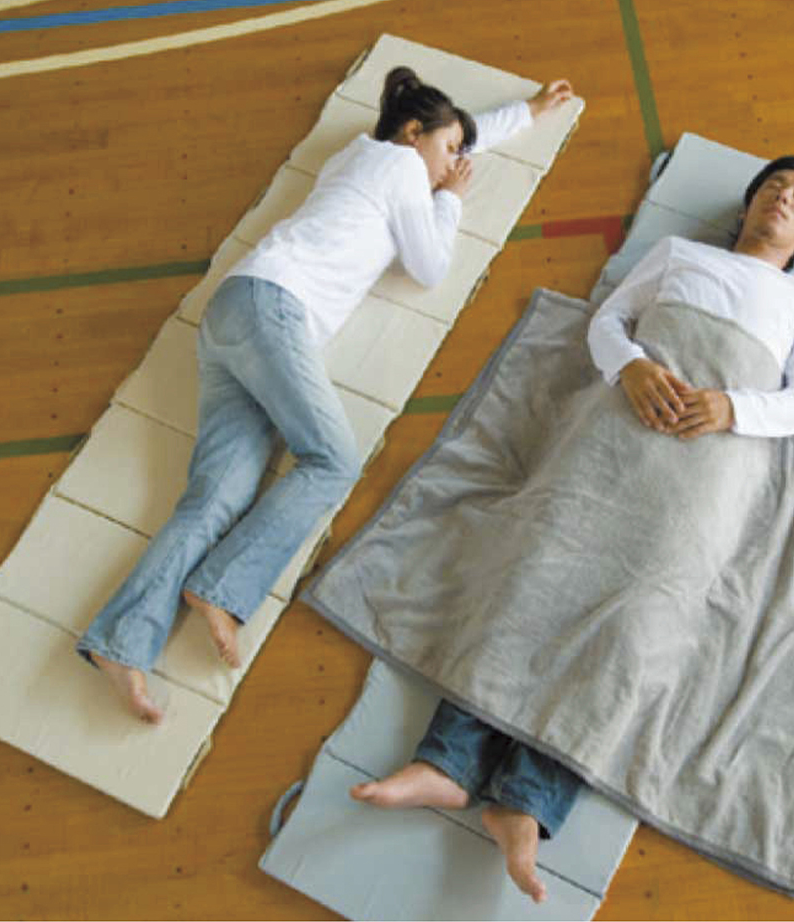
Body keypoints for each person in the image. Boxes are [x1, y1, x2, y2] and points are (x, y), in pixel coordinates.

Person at [351, 155, 794, 904]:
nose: (783, 197)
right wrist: (632, 369)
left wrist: (733, 408)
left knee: (635, 627)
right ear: (746, 208)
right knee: (533, 581)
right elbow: (608, 321)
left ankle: (526, 802)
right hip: (615, 437)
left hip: (707, 468)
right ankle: (447, 763)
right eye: (773, 186)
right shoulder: (681, 255)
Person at [76, 67, 575, 724]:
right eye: (450, 151)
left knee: (215, 498)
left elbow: (465, 135)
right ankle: (221, 588)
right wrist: (451, 202)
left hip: (236, 312)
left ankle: (120, 643)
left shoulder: (361, 155)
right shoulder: (402, 169)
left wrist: (530, 110)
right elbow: (429, 267)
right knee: (333, 460)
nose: (454, 165)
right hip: (272, 311)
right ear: (413, 132)